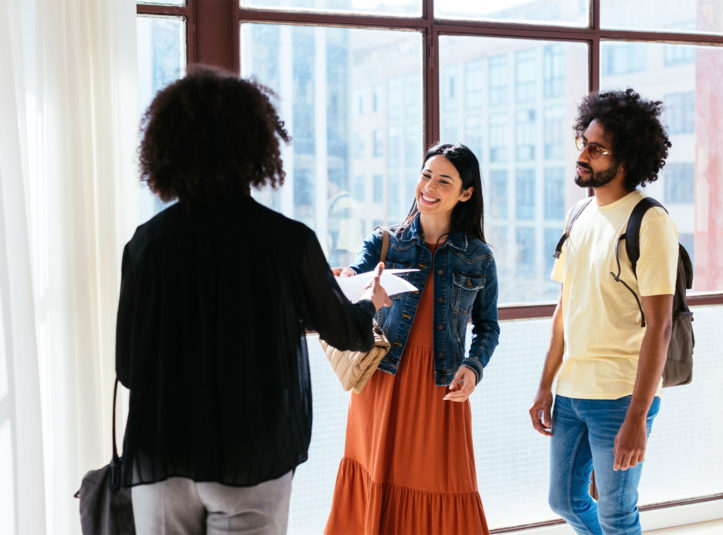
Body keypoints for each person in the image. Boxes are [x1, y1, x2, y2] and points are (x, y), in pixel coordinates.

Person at [115, 65, 390, 535]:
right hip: (252, 453)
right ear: (255, 147)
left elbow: (129, 367)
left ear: (167, 149)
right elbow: (346, 332)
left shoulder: (146, 244)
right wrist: (371, 303)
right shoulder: (287, 241)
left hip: (162, 453)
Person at [325, 143, 500, 535]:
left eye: (443, 180)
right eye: (425, 175)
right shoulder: (385, 241)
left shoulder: (479, 258)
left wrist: (473, 368)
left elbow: (488, 327)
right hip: (382, 381)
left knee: (445, 482)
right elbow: (351, 281)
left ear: (466, 193)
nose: (429, 187)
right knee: (375, 474)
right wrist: (350, 285)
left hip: (441, 387)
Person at [529, 88, 678, 535]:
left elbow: (661, 326)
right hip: (573, 391)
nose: (584, 155)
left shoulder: (649, 222)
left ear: (626, 159)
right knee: (565, 499)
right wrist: (544, 387)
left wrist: (638, 416)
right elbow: (564, 311)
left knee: (616, 513)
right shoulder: (578, 214)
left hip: (620, 395)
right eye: (584, 143)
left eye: (596, 148)